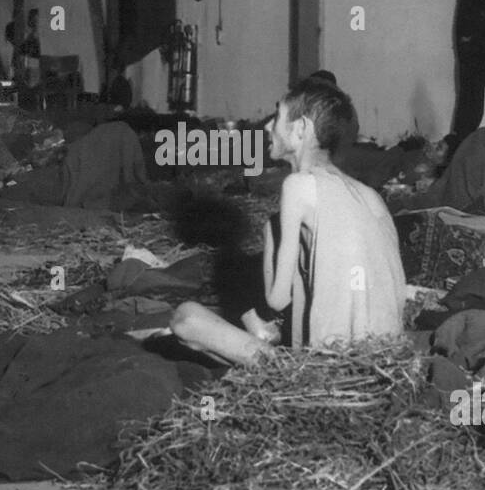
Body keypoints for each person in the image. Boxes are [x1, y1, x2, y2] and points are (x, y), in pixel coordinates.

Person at [171, 79, 406, 364]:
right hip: (390, 363)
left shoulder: (299, 185)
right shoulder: (371, 196)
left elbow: (277, 300)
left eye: (278, 116)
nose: (268, 127)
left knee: (186, 317)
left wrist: (249, 315)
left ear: (301, 129)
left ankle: (282, 368)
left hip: (334, 371)